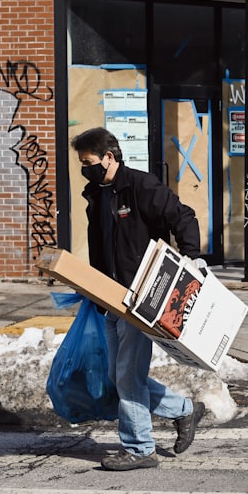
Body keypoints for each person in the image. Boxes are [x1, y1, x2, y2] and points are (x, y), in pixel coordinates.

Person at [71, 127, 207, 471]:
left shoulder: (141, 186)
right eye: (82, 164)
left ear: (109, 157)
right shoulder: (97, 193)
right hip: (112, 297)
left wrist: (193, 257)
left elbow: (183, 216)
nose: (85, 169)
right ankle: (184, 409)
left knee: (127, 377)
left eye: (89, 163)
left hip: (143, 295)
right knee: (122, 377)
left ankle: (139, 449)